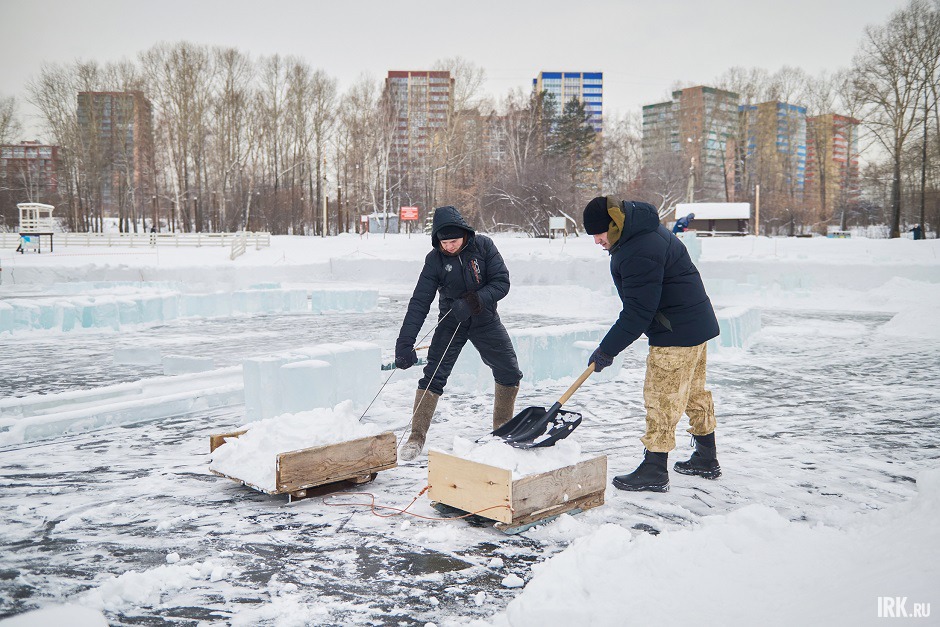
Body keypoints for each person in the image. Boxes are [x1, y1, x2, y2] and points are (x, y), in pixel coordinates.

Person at [583, 196, 720, 493]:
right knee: (694, 393)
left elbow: (637, 312)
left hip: (675, 333)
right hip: (694, 325)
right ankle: (706, 457)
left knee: (662, 399)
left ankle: (655, 469)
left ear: (614, 225)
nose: (596, 241)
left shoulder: (637, 250)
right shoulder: (644, 230)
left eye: (598, 233)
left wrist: (606, 350)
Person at [395, 205, 523, 461]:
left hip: (484, 318)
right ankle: (415, 437)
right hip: (450, 320)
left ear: (465, 235)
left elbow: (501, 282)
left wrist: (475, 300)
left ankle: (501, 431)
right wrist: (405, 343)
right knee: (433, 375)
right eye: (444, 243)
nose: (450, 247)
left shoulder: (484, 247)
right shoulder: (434, 260)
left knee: (509, 371)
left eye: (454, 241)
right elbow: (420, 301)